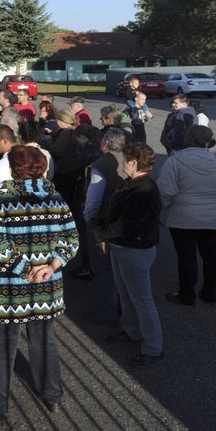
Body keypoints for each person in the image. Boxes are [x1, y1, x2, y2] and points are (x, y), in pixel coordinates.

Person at [0, 145, 79, 424]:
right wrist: (49, 266)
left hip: (7, 286)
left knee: (3, 345)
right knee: (44, 340)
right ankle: (52, 395)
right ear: (42, 168)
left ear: (13, 169)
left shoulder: (0, 198)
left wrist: (25, 269)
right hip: (46, 284)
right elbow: (72, 240)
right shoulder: (56, 197)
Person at [94, 142, 164, 367]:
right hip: (123, 247)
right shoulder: (134, 184)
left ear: (134, 163)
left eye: (125, 160)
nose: (122, 163)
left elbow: (126, 224)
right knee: (125, 293)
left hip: (135, 249)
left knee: (142, 299)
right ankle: (132, 331)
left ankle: (153, 348)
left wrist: (101, 234)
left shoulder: (144, 189)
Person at [157, 126, 216, 306]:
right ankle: (210, 293)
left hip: (183, 216)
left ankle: (187, 294)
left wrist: (168, 206)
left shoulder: (175, 160)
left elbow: (165, 190)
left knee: (186, 256)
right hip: (211, 217)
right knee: (211, 254)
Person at [82, 127, 128, 323]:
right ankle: (122, 307)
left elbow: (93, 199)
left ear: (105, 144)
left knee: (104, 269)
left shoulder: (101, 165)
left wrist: (89, 219)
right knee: (121, 270)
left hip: (104, 223)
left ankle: (108, 311)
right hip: (125, 222)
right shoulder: (129, 160)